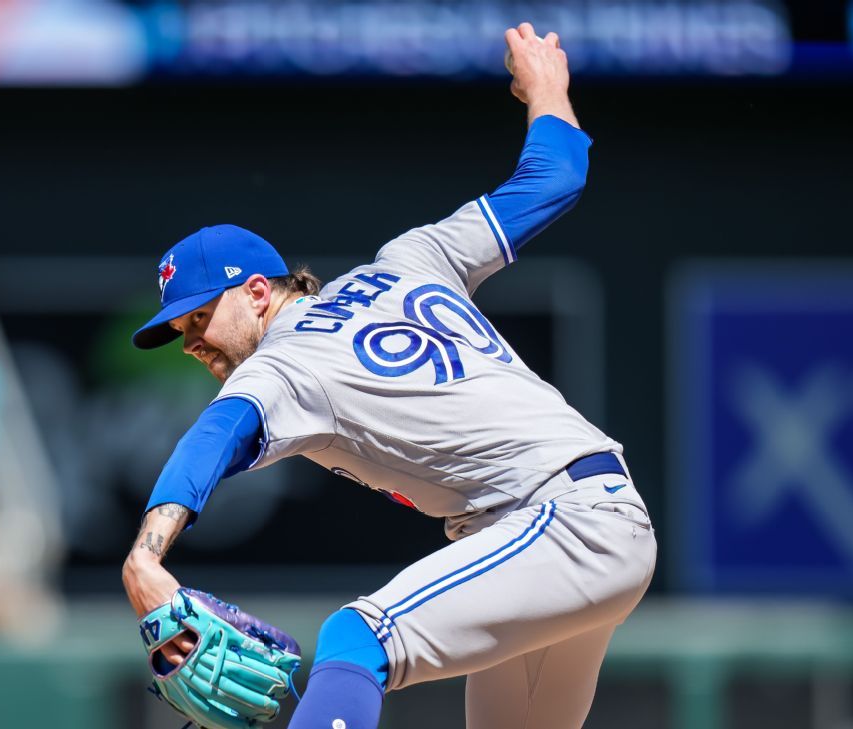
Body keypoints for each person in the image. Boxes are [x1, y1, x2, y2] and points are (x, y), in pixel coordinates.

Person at [121, 23, 656, 729]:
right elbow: (555, 177)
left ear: (257, 292)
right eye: (179, 333)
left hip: (559, 523)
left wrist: (145, 557)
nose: (192, 342)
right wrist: (549, 87)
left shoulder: (286, 358)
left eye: (198, 319)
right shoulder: (410, 259)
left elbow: (216, 434)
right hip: (572, 526)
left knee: (357, 636)